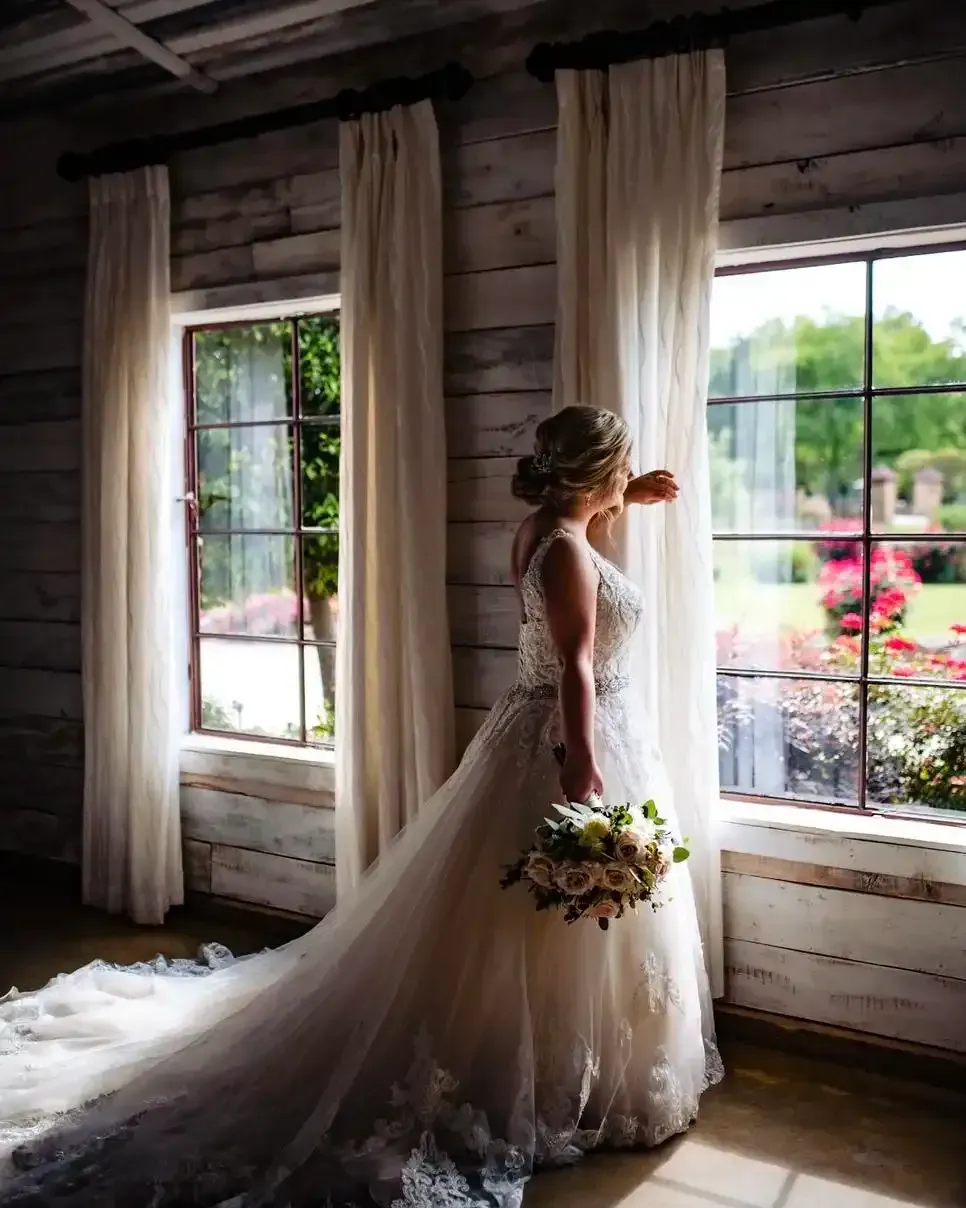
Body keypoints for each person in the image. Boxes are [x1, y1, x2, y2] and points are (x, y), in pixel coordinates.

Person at [0, 404, 721, 1207]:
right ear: (597, 474)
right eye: (620, 469)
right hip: (570, 732)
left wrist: (632, 495)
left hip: (549, 725)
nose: (629, 480)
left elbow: (582, 576)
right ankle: (542, 1075)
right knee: (555, 906)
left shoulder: (549, 529)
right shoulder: (565, 552)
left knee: (545, 914)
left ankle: (570, 1064)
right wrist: (581, 763)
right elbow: (577, 664)